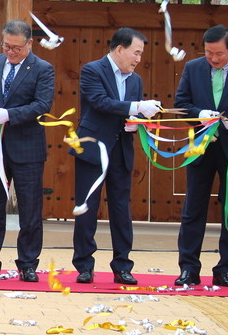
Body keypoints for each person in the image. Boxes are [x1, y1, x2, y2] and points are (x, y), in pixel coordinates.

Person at [70, 27, 161, 285]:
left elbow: (129, 115)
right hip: (93, 148)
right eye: (136, 53)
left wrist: (136, 121)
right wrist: (136, 107)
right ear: (120, 49)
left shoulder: (135, 80)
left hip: (121, 151)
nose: (138, 59)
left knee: (121, 209)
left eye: (141, 55)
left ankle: (123, 266)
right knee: (87, 208)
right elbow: (100, 102)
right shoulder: (92, 70)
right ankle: (84, 265)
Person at [0, 19, 55, 282]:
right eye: (7, 46)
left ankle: (27, 264)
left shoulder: (43, 68)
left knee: (29, 209)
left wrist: (11, 114)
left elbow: (42, 105)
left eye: (17, 48)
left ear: (29, 44)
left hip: (27, 147)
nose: (11, 52)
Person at [173, 25, 228, 288]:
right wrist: (198, 114)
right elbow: (182, 103)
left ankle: (225, 268)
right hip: (201, 147)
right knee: (193, 208)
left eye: (220, 54)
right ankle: (189, 268)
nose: (214, 58)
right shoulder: (193, 67)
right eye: (209, 53)